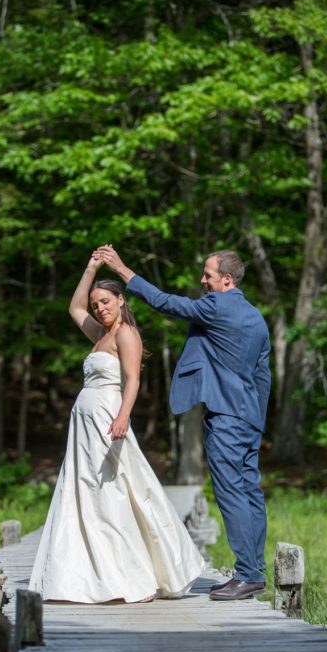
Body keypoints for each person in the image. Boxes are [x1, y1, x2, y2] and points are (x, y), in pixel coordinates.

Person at [95, 244, 270, 602]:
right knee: (251, 492)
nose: (202, 280)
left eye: (208, 275)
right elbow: (263, 375)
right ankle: (253, 572)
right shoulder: (256, 317)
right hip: (250, 417)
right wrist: (257, 418)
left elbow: (163, 302)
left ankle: (248, 574)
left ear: (226, 279)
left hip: (226, 417)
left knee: (231, 493)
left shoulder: (217, 306)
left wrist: (122, 269)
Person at [28, 253, 205, 604]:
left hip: (107, 419)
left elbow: (133, 378)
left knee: (115, 491)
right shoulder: (99, 334)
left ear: (121, 300)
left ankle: (135, 574)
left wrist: (123, 416)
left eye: (105, 301)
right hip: (85, 425)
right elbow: (74, 310)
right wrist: (91, 268)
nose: (98, 309)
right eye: (97, 305)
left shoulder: (125, 334)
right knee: (86, 491)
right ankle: (89, 573)